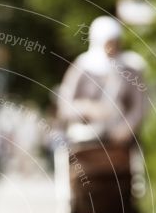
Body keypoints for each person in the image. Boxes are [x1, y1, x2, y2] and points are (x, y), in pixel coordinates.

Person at [58, 16, 146, 145]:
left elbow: (140, 106)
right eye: (109, 42)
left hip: (120, 142)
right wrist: (88, 109)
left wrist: (126, 128)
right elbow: (65, 106)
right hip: (86, 141)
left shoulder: (130, 69)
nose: (113, 47)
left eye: (116, 42)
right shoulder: (82, 67)